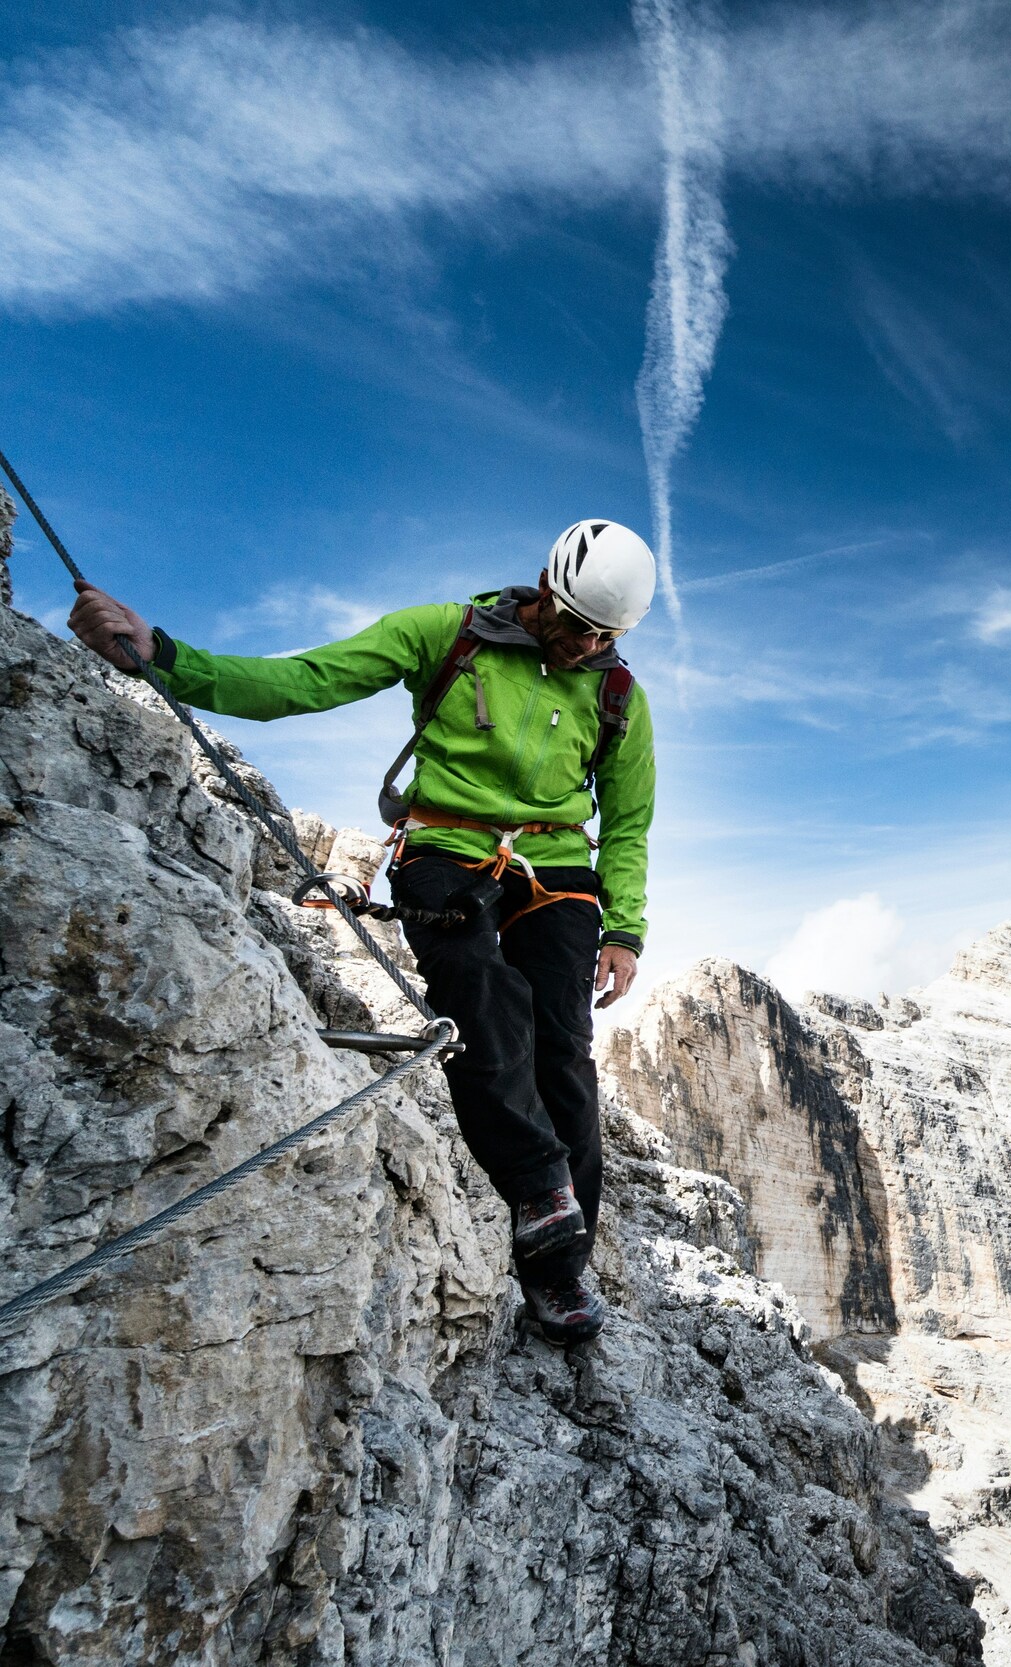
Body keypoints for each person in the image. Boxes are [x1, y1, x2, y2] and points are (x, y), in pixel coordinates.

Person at [67, 521, 659, 1345]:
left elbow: (627, 824)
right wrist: (163, 655)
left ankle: (559, 1272)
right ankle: (538, 1183)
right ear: (544, 589)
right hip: (443, 849)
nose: (585, 645)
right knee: (476, 991)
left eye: (605, 635)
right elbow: (307, 680)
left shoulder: (616, 694)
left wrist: (623, 930)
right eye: (576, 625)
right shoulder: (444, 635)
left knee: (564, 1050)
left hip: (556, 869)